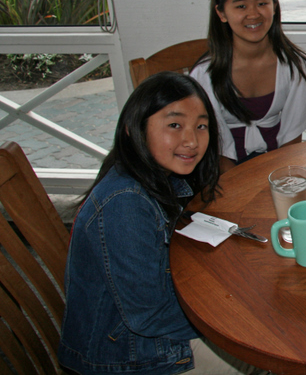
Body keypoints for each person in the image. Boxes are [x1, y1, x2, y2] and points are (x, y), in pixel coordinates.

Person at [58, 72, 266, 374]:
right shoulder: (125, 202)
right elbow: (149, 317)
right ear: (133, 129)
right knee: (265, 349)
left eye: (201, 126)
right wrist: (238, 318)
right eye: (175, 125)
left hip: (149, 326)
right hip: (129, 354)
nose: (192, 141)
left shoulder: (155, 178)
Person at [191, 0, 306, 172]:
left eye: (262, 3)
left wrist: (282, 180)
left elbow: (292, 138)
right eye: (241, 6)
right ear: (221, 13)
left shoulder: (296, 67)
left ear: (274, 6)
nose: (253, 14)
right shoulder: (205, 75)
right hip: (221, 171)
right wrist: (239, 187)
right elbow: (213, 146)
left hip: (279, 166)